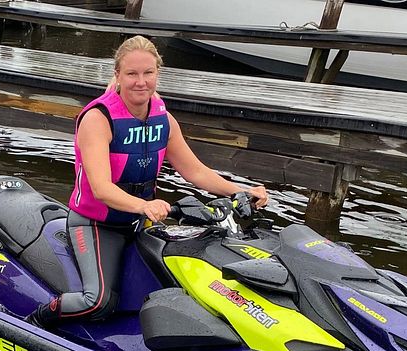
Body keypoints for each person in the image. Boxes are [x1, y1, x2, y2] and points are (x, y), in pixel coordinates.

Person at [31, 35, 269, 326]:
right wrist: (144, 206)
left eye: (148, 73)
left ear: (158, 73)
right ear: (117, 75)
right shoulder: (98, 118)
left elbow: (195, 171)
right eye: (131, 74)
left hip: (139, 221)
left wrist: (243, 191)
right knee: (98, 302)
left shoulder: (163, 119)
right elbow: (101, 189)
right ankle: (34, 321)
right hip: (96, 223)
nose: (140, 82)